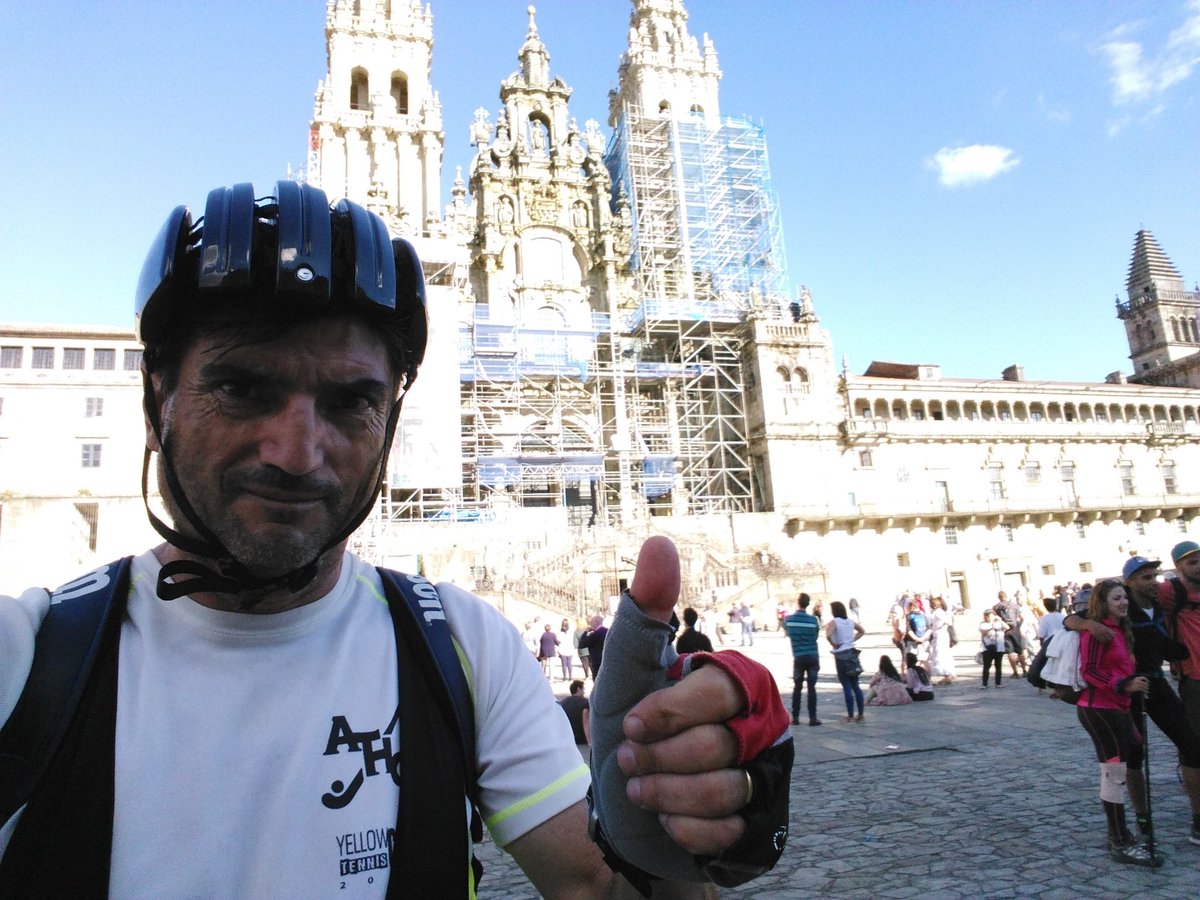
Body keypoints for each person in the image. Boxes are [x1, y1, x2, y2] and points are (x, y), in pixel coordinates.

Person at [0, 182, 789, 895]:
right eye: (242, 388)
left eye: (350, 402)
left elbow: (598, 890)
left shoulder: (465, 651)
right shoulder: (27, 663)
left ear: (389, 425)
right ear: (156, 402)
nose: (296, 451)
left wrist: (660, 849)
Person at [1068, 554, 1200, 845]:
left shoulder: (1162, 603)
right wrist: (1089, 626)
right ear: (1130, 583)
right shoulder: (1118, 600)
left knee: (1191, 744)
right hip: (1124, 689)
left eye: (1155, 576)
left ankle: (1198, 820)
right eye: (1146, 578)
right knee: (1133, 756)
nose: (1154, 582)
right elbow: (1072, 619)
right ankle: (1142, 817)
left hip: (1155, 681)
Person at [1074, 579, 1159, 866]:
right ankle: (1119, 839)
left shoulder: (1120, 629)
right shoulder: (1098, 632)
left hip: (1116, 709)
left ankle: (1120, 835)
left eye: (1124, 597)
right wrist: (1124, 685)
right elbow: (1090, 671)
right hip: (1099, 709)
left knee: (1122, 762)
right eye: (1116, 598)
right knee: (1113, 772)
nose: (1123, 602)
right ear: (1103, 603)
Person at [782, 593, 822, 726]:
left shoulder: (789, 620)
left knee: (797, 687)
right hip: (812, 655)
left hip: (798, 656)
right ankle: (812, 718)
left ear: (798, 602)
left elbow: (787, 632)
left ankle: (795, 717)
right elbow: (815, 636)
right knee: (812, 687)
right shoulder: (814, 620)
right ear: (808, 604)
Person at [825, 600, 865, 723]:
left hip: (841, 654)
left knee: (846, 685)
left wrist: (833, 643)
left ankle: (850, 714)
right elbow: (862, 630)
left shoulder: (834, 622)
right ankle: (861, 713)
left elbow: (828, 634)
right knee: (856, 685)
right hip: (852, 653)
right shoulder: (850, 621)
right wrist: (852, 639)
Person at [558, 679, 591, 762]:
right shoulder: (585, 702)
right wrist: (589, 741)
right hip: (581, 738)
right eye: (583, 689)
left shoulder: (563, 703)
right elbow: (586, 720)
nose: (584, 692)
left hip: (568, 737)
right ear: (578, 689)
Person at [927, 595, 957, 685]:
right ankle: (950, 673)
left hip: (940, 634)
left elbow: (949, 621)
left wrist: (941, 626)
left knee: (941, 653)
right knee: (944, 653)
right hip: (940, 633)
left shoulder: (938, 612)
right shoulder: (938, 612)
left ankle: (947, 674)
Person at [979, 608, 1006, 688]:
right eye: (988, 616)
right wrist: (992, 627)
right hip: (987, 648)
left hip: (999, 647)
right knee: (986, 666)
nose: (990, 618)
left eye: (991, 616)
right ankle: (984, 683)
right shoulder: (983, 624)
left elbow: (1007, 627)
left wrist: (1000, 620)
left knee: (998, 666)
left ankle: (998, 683)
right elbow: (983, 632)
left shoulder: (998, 623)